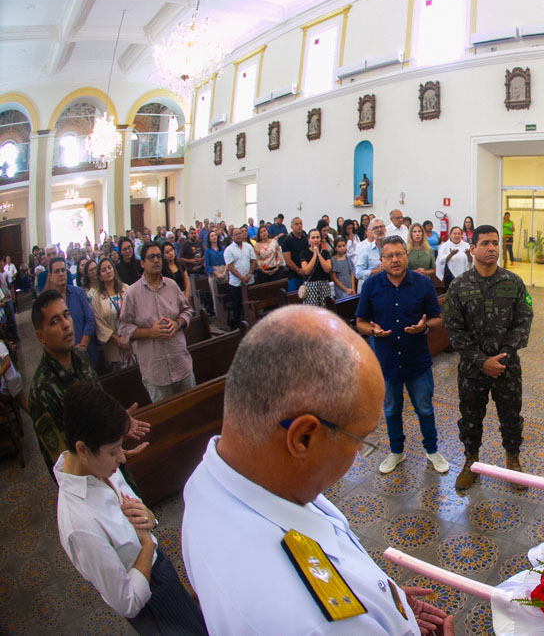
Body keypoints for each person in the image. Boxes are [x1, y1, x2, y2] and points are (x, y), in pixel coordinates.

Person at [182, 306, 454, 635]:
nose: (359, 454)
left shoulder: (212, 482)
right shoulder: (309, 622)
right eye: (360, 439)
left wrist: (381, 602)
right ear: (304, 437)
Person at [55, 382, 207, 635]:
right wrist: (148, 545)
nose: (123, 458)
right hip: (151, 604)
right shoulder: (79, 524)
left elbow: (139, 517)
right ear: (82, 450)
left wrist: (150, 520)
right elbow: (128, 602)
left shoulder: (98, 465)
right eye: (114, 451)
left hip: (158, 567)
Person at [442, 226, 534, 490]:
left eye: (495, 243)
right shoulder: (460, 285)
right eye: (485, 243)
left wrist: (501, 359)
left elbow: (524, 320)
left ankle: (513, 462)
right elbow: (453, 328)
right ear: (473, 249)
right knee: (470, 418)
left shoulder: (513, 282)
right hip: (472, 369)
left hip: (507, 368)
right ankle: (471, 462)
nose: (492, 248)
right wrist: (482, 360)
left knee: (511, 417)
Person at [356, 236, 448, 475]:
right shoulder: (371, 286)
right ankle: (397, 451)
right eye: (389, 256)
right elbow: (361, 322)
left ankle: (432, 450)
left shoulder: (422, 284)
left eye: (399, 254)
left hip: (417, 360)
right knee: (391, 409)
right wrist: (373, 331)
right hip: (386, 361)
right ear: (382, 259)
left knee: (425, 409)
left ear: (406, 255)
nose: (395, 260)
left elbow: (437, 319)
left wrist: (425, 328)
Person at [29, 290, 150, 473]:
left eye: (66, 315)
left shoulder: (80, 356)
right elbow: (61, 463)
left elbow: (99, 407)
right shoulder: (41, 391)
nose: (66, 325)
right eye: (54, 321)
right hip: (88, 482)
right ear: (40, 337)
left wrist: (115, 427)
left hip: (112, 462)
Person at [119, 242, 195, 403]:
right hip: (156, 371)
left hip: (181, 364)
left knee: (192, 415)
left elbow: (187, 311)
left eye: (159, 256)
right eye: (151, 257)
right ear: (142, 263)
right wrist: (150, 332)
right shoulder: (132, 293)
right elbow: (124, 328)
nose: (156, 260)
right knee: (168, 423)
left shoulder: (172, 286)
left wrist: (178, 323)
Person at [44, 256, 97, 365]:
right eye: (57, 271)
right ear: (51, 276)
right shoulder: (48, 302)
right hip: (64, 356)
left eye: (63, 270)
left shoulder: (78, 292)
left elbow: (89, 319)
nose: (61, 274)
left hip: (86, 350)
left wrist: (82, 345)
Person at [91, 257, 134, 371]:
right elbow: (99, 323)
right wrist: (118, 339)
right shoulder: (97, 297)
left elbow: (136, 312)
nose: (108, 271)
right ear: (100, 276)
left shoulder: (126, 289)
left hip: (132, 340)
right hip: (113, 346)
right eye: (104, 270)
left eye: (109, 268)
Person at [223, 227, 257, 329]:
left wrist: (249, 274)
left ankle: (251, 322)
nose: (239, 236)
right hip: (235, 282)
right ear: (232, 237)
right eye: (236, 234)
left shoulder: (248, 246)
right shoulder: (229, 250)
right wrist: (241, 277)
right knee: (237, 304)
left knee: (250, 302)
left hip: (249, 279)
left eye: (240, 233)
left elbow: (253, 261)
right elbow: (230, 266)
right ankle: (238, 326)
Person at [298, 230, 333, 308]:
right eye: (313, 238)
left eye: (317, 237)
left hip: (324, 284)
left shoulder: (325, 252)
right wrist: (314, 255)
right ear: (308, 239)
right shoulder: (304, 253)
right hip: (311, 286)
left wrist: (319, 254)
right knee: (313, 311)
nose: (316, 240)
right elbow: (306, 271)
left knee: (326, 309)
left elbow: (328, 269)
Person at [280, 217, 309, 293]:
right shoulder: (287, 240)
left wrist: (306, 269)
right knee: (294, 298)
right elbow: (288, 260)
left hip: (307, 273)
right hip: (294, 275)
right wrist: (298, 270)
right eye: (296, 224)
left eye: (301, 223)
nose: (299, 225)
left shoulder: (306, 238)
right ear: (291, 227)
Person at [355, 218, 387, 284]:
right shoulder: (365, 250)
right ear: (371, 232)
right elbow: (358, 273)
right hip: (374, 287)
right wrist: (376, 271)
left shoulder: (393, 247)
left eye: (381, 227)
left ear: (385, 229)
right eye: (376, 228)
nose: (379, 229)